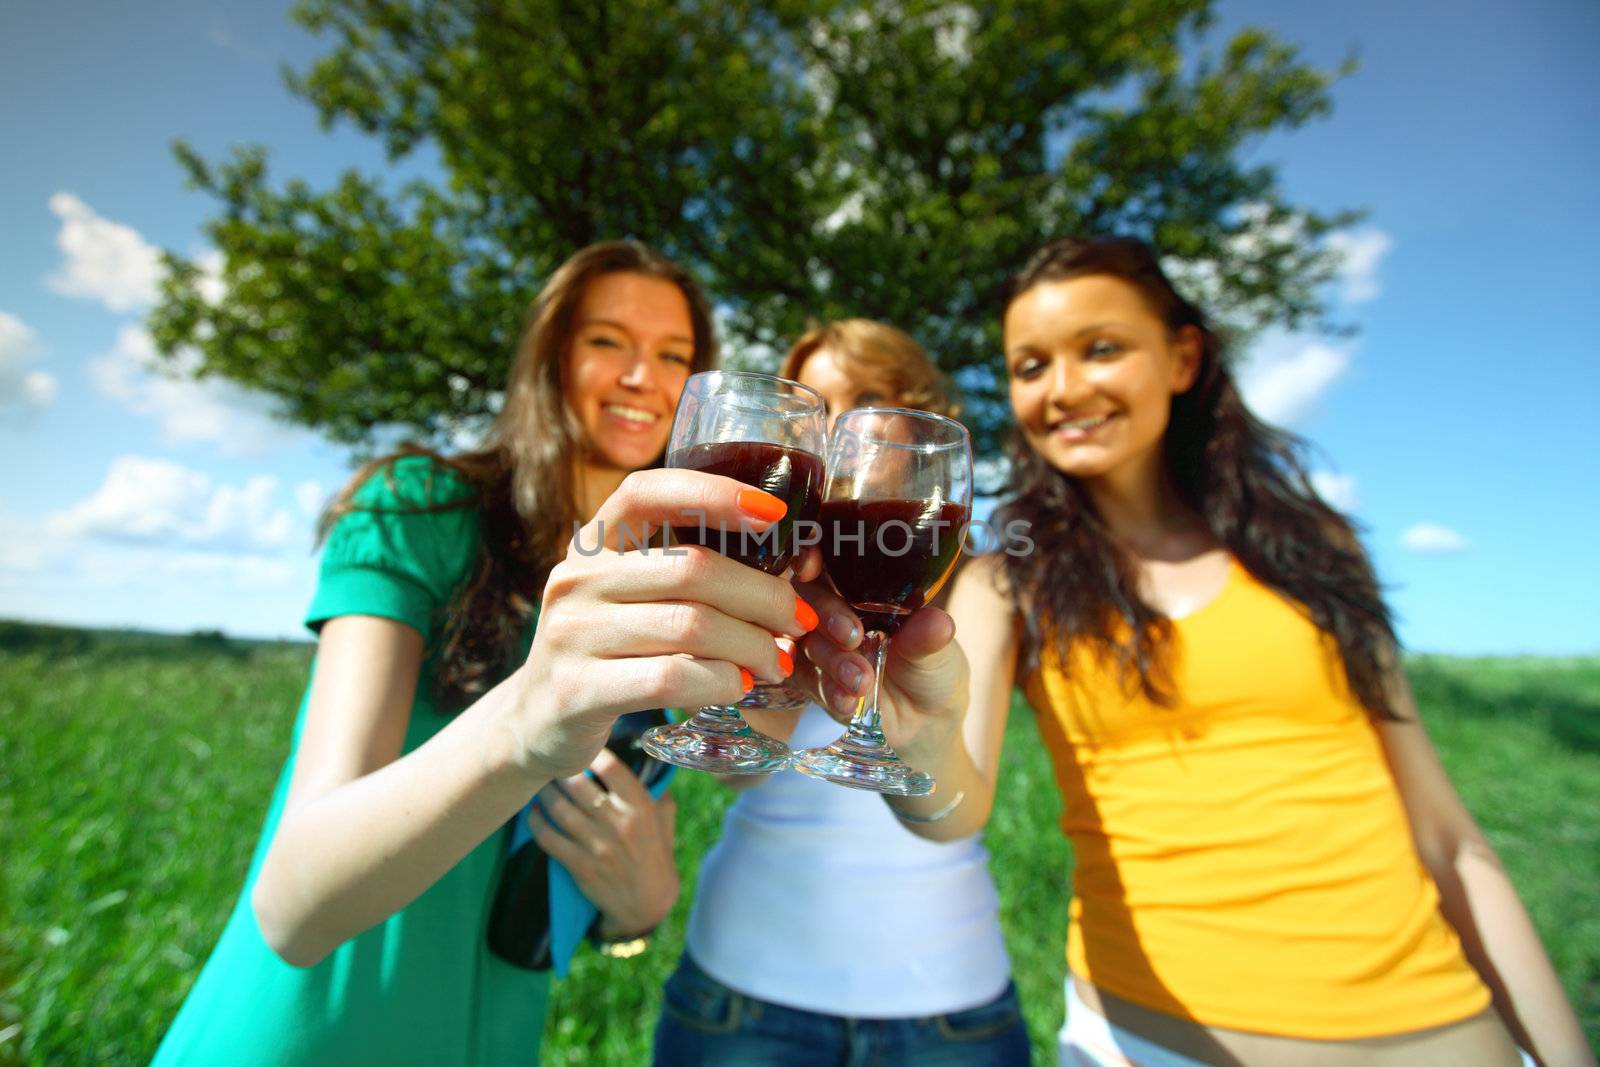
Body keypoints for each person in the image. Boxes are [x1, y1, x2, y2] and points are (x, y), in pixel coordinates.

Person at [795, 238, 1595, 1067]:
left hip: (1437, 1036)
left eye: (1100, 348)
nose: (1063, 389)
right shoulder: (1011, 580)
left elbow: (1449, 841)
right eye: (1030, 366)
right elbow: (957, 807)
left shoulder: (1313, 551)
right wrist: (914, 747)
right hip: (1145, 1045)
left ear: (1183, 358)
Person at [152, 241, 810, 1065]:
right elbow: (289, 904)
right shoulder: (418, 509)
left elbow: (662, 834)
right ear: (548, 356)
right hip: (309, 1034)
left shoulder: (665, 587)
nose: (645, 375)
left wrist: (640, 910)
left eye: (674, 356)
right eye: (609, 341)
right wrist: (528, 715)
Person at [652, 319, 1032, 1067]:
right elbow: (737, 767)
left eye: (868, 400)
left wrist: (913, 739)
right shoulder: (790, 561)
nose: (845, 429)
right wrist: (764, 633)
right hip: (743, 986)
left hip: (945, 1001)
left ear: (918, 413)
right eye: (822, 412)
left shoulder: (982, 579)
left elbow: (965, 809)